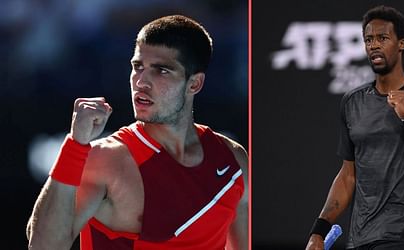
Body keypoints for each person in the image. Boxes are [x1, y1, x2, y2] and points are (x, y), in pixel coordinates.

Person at [26, 15, 248, 250]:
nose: (141, 82)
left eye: (161, 70)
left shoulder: (234, 160)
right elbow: (43, 245)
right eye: (137, 67)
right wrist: (75, 145)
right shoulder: (106, 160)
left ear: (194, 84)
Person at [306, 6, 404, 250]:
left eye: (382, 38)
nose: (374, 45)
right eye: (369, 39)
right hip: (361, 239)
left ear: (401, 44)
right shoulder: (352, 101)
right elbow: (348, 176)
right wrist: (318, 231)